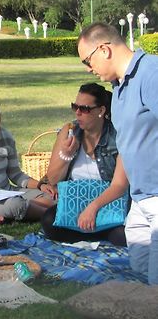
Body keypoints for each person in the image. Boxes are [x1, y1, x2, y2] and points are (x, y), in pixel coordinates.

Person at [77, 22, 158, 284]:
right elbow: (128, 145)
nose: (89, 68)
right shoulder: (118, 88)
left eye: (87, 60)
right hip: (139, 200)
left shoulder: (151, 73)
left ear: (104, 49)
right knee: (141, 271)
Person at [41, 83, 128, 246]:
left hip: (108, 205)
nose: (78, 112)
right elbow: (51, 180)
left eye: (85, 109)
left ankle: (89, 235)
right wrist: (66, 156)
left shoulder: (118, 137)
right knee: (48, 221)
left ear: (101, 111)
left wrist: (93, 208)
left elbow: (119, 186)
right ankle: (95, 236)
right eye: (75, 106)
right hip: (76, 204)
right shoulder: (69, 132)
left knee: (122, 236)